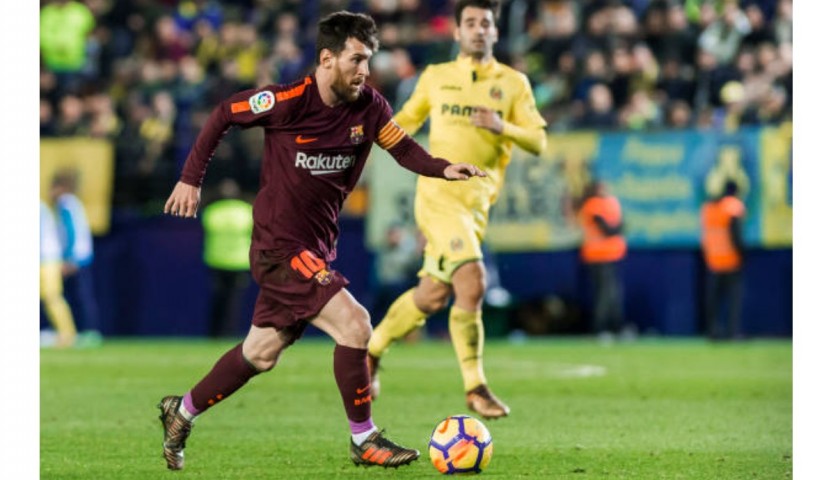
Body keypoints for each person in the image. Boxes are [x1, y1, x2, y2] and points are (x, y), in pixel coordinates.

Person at [158, 11, 485, 471]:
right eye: (356, 60)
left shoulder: (370, 106)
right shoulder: (289, 99)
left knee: (260, 353)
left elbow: (402, 147)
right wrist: (190, 179)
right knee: (356, 324)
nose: (365, 71)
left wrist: (442, 167)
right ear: (327, 59)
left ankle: (182, 411)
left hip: (316, 247)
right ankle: (364, 439)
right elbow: (223, 113)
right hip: (281, 247)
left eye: (368, 60)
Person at [367, 0, 548, 420]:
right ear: (456, 32)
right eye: (470, 23)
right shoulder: (436, 78)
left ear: (496, 32)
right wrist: (362, 136)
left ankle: (371, 351)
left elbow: (538, 141)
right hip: (438, 195)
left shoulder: (513, 83)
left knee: (432, 296)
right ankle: (476, 387)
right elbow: (403, 123)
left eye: (486, 23)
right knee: (474, 280)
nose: (478, 29)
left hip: (477, 207)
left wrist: (503, 126)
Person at [50, 170, 102, 346]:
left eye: (53, 188)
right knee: (81, 295)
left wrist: (69, 259)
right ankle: (86, 331)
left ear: (61, 188)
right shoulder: (74, 203)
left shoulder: (65, 204)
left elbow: (70, 233)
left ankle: (89, 332)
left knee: (81, 296)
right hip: (82, 256)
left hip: (76, 258)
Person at [576, 180, 630, 343]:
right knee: (604, 295)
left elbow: (621, 225)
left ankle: (616, 328)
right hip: (597, 256)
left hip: (612, 255)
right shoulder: (592, 205)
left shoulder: (611, 203)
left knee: (613, 294)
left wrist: (616, 228)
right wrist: (616, 228)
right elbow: (609, 229)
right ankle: (601, 329)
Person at [201, 178, 253, 337]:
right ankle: (229, 332)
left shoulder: (212, 211)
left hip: (216, 261)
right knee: (233, 302)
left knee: (218, 299)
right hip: (239, 262)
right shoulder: (247, 211)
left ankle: (215, 333)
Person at [700, 180, 746, 340]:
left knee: (714, 300)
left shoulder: (708, 207)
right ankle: (732, 333)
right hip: (731, 260)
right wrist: (743, 254)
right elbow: (736, 234)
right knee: (733, 300)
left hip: (713, 259)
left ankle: (713, 331)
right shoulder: (733, 207)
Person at [40, 200, 78, 348]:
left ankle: (67, 333)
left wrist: (69, 257)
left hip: (47, 259)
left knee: (52, 296)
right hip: (46, 258)